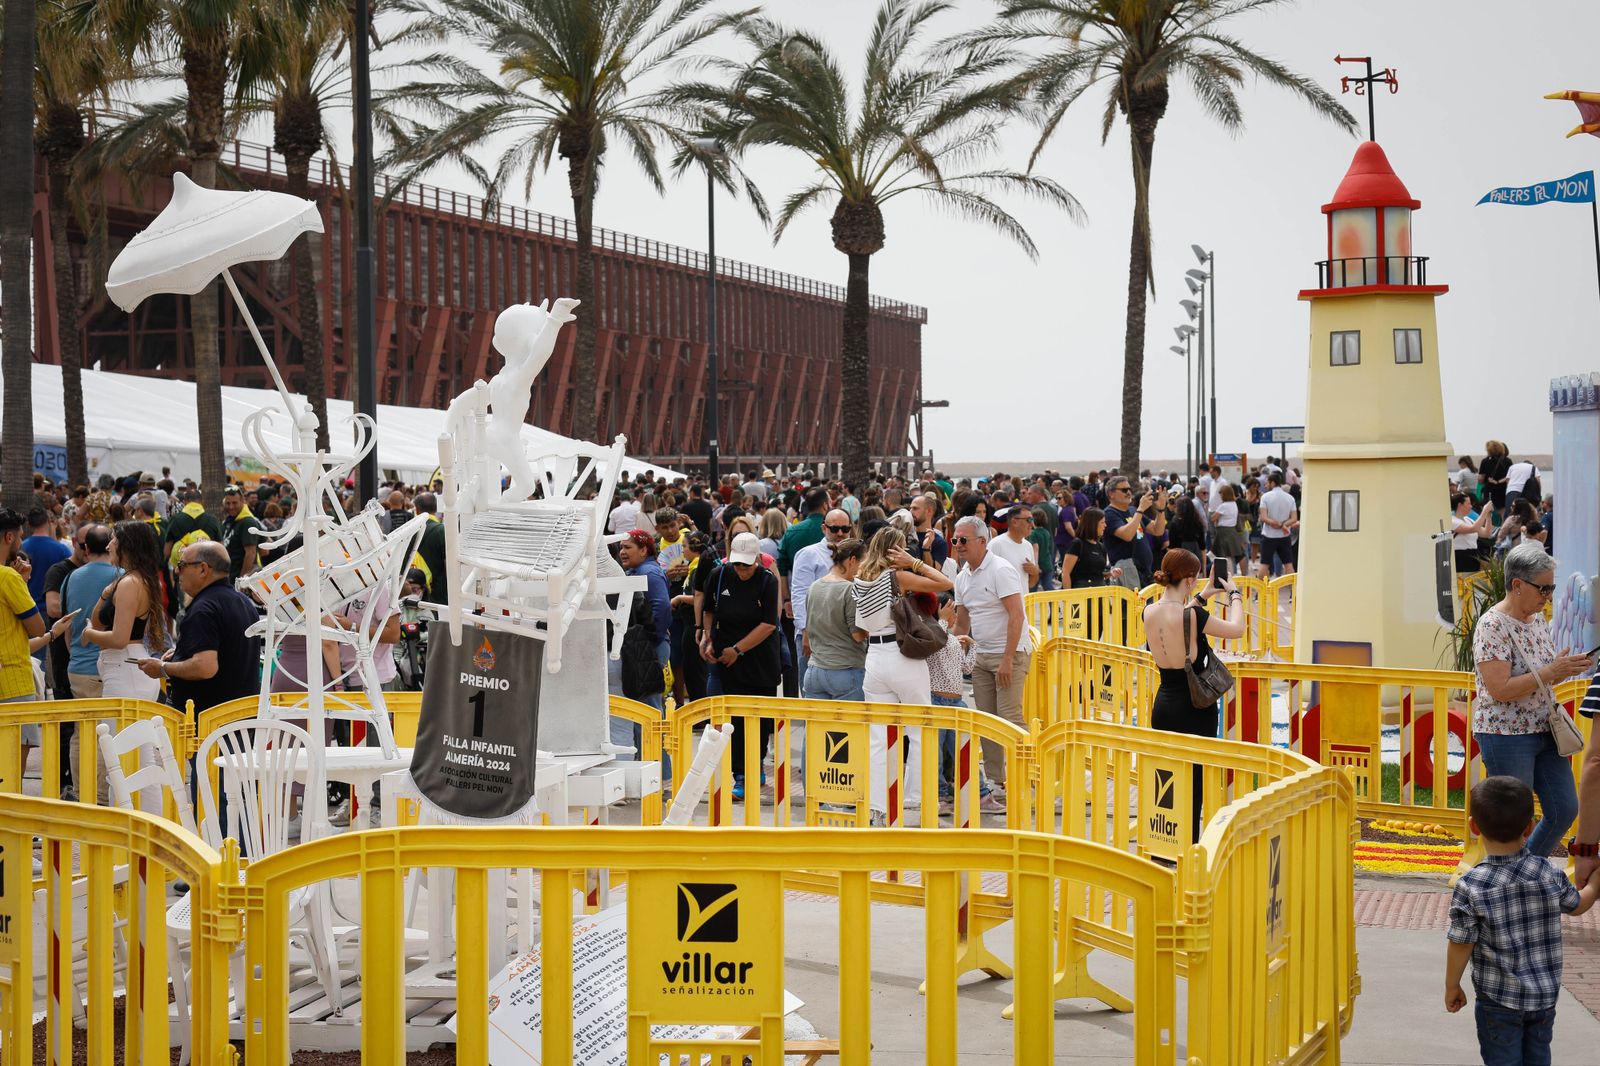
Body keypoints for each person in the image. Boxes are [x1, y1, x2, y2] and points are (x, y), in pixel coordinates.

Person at [1445, 775, 1600, 1064]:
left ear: (1474, 827)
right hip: (1543, 997)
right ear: (1530, 827)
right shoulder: (1547, 872)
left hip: (1498, 1000)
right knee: (1538, 1057)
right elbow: (1577, 905)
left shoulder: (1472, 885)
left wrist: (1452, 985)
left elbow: (1460, 942)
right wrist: (1595, 882)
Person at [1470, 542, 1594, 857]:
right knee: (1511, 818)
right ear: (1517, 585)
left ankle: (1523, 872)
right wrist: (1553, 670)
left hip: (1544, 730)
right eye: (1544, 588)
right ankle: (1511, 879)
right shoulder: (1491, 625)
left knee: (1565, 807)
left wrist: (1564, 669)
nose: (1548, 595)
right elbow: (1499, 689)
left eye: (1551, 587)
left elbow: (1541, 676)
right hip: (1505, 734)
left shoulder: (1535, 619)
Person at [1141, 549, 1246, 840]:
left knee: (1166, 775)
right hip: (1195, 705)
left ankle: (1162, 841)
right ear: (1189, 580)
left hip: (1164, 701)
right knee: (1195, 778)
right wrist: (1235, 593)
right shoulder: (1192, 614)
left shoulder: (1148, 610)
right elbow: (1236, 629)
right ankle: (1189, 845)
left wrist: (1206, 595)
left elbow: (1182, 620)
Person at [852, 527, 953, 818]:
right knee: (920, 728)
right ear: (894, 551)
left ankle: (876, 805)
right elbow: (946, 582)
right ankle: (916, 797)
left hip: (874, 658)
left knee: (877, 735)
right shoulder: (898, 577)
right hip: (902, 657)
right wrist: (915, 562)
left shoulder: (861, 578)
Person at [950, 515, 1031, 798]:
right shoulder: (962, 577)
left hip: (1009, 653)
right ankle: (998, 781)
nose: (958, 545)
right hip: (980, 656)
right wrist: (950, 653)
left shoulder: (1000, 570)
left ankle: (1030, 776)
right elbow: (962, 624)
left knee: (1010, 718)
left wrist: (1008, 659)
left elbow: (1017, 615)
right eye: (955, 540)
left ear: (982, 542)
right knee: (987, 720)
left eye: (963, 540)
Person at [699, 531, 782, 800]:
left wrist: (738, 649)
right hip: (727, 657)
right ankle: (741, 775)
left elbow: (769, 623)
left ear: (758, 559)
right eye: (738, 564)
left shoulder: (767, 581)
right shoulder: (719, 575)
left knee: (759, 720)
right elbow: (709, 608)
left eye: (747, 564)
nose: (742, 570)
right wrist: (707, 636)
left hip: (759, 657)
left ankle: (755, 763)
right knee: (735, 721)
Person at [138, 541, 262, 717]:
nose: (177, 571)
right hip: (238, 718)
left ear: (203, 569)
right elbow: (227, 651)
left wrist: (163, 667)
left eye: (181, 565)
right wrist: (182, 653)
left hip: (206, 726)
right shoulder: (242, 601)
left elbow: (205, 667)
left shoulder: (204, 608)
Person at [80, 520, 169, 702]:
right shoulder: (135, 579)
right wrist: (106, 594)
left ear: (125, 545)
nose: (108, 546)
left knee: (116, 730)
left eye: (112, 540)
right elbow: (99, 622)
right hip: (125, 667)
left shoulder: (130, 583)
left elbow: (119, 639)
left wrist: (89, 634)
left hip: (125, 669)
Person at [0, 509, 49, 772]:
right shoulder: (8, 578)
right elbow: (38, 627)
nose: (20, 543)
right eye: (19, 538)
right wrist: (23, 582)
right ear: (9, 537)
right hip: (13, 683)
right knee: (12, 770)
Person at [799, 538, 866, 702]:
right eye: (862, 563)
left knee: (817, 727)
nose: (862, 569)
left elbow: (808, 625)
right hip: (845, 670)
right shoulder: (849, 589)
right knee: (850, 727)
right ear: (852, 560)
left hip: (814, 671)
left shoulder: (814, 586)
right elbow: (857, 635)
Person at [1103, 476, 1166, 587]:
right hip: (1127, 572)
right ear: (1111, 494)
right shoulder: (1109, 514)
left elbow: (1157, 530)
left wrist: (1160, 510)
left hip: (1145, 571)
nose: (1128, 493)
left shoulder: (1133, 511)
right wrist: (1141, 509)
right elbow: (1127, 535)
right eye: (1124, 490)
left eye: (1129, 489)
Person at [20, 508, 70, 618]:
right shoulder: (62, 550)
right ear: (48, 521)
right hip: (53, 609)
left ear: (29, 524)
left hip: (26, 609)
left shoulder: (21, 548)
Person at [1059, 507, 1122, 589]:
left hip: (1098, 594)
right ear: (1093, 524)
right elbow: (1066, 572)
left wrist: (1110, 573)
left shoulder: (1101, 547)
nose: (1105, 525)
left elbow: (1096, 575)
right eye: (1102, 522)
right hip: (1081, 595)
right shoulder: (1077, 544)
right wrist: (1069, 597)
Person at [987, 505, 1040, 590]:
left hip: (1022, 602)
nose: (1032, 524)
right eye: (1029, 520)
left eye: (1032, 520)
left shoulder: (1028, 546)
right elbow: (986, 579)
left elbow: (1030, 584)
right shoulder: (996, 544)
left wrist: (1035, 573)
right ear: (1015, 522)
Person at [1257, 472, 1298, 578]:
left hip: (1269, 535)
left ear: (1273, 483)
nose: (1266, 486)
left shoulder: (1265, 497)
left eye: (1267, 483)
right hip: (1284, 536)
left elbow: (1264, 517)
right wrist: (1284, 524)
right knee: (1288, 564)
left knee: (1264, 564)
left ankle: (1259, 592)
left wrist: (1274, 523)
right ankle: (1293, 592)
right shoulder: (1290, 498)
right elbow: (1294, 518)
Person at [220, 486, 266, 579]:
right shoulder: (229, 521)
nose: (231, 506)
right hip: (231, 576)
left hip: (242, 579)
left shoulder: (247, 522)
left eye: (234, 503)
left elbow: (251, 553)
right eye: (228, 503)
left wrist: (242, 580)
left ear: (242, 501)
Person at [1451, 493, 1494, 574]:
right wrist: (1484, 511)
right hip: (1460, 557)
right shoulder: (1453, 521)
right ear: (1460, 505)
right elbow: (1473, 528)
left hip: (1473, 555)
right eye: (1468, 503)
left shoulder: (1468, 520)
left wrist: (1488, 515)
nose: (1471, 506)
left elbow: (1487, 533)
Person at [1209, 484, 1248, 572]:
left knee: (1226, 555)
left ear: (1225, 494)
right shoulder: (1234, 504)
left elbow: (1213, 518)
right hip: (1232, 530)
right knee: (1240, 554)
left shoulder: (1224, 506)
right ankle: (1244, 575)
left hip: (1223, 532)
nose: (1220, 496)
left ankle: (1229, 575)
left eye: (1221, 494)